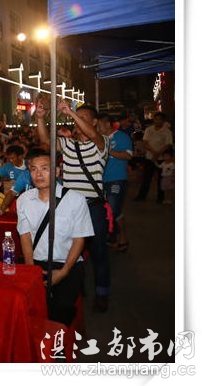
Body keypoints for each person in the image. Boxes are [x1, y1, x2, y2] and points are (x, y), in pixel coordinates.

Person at [36, 98, 111, 313]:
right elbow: (45, 141)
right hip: (69, 207)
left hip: (93, 206)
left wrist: (71, 113)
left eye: (83, 118)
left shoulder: (102, 143)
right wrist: (40, 118)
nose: (78, 121)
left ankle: (102, 292)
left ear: (94, 122)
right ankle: (77, 285)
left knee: (98, 251)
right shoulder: (68, 144)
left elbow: (94, 135)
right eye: (77, 118)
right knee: (69, 250)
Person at [16, 149, 94, 326]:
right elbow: (25, 236)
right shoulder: (24, 200)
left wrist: (64, 272)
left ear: (57, 171)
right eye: (33, 169)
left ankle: (60, 340)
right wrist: (31, 268)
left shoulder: (76, 199)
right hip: (36, 263)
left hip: (68, 264)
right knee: (31, 312)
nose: (38, 174)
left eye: (45, 168)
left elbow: (79, 239)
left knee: (60, 313)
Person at [98, 114, 133, 253]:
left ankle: (121, 237)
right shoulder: (100, 138)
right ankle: (113, 236)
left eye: (100, 124)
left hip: (116, 178)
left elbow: (128, 155)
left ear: (108, 124)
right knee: (107, 210)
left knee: (114, 209)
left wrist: (109, 150)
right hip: (100, 180)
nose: (98, 127)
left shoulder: (121, 137)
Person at [134, 112, 173, 204]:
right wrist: (154, 152)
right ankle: (141, 196)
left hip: (162, 159)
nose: (158, 121)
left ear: (163, 121)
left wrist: (158, 153)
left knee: (161, 179)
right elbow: (145, 142)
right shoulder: (149, 129)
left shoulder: (167, 131)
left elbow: (168, 144)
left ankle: (160, 198)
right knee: (146, 178)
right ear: (154, 120)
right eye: (156, 119)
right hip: (149, 158)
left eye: (160, 119)